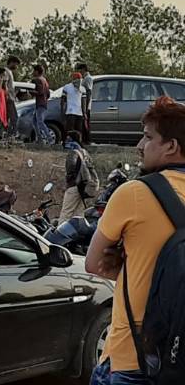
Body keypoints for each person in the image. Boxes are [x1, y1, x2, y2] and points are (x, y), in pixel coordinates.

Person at [86, 97, 185, 384]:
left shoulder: (134, 194)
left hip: (134, 355)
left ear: (171, 146)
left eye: (147, 137)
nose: (139, 146)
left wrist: (139, 272)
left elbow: (93, 264)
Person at [58, 131, 89, 224]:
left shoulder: (73, 150)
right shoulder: (84, 151)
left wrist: (69, 179)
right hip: (83, 187)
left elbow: (71, 166)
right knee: (79, 215)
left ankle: (58, 236)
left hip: (74, 185)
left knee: (66, 213)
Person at [61, 73, 87, 140]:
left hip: (72, 112)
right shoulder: (82, 89)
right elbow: (83, 102)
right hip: (75, 112)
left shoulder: (67, 87)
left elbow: (62, 101)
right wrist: (84, 113)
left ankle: (71, 143)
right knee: (77, 130)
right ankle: (75, 143)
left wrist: (62, 111)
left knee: (71, 130)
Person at [31, 64, 52, 144]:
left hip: (40, 103)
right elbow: (48, 93)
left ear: (37, 71)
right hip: (44, 103)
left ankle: (49, 138)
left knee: (39, 121)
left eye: (34, 71)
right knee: (35, 121)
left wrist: (30, 91)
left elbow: (40, 92)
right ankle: (39, 138)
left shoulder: (37, 80)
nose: (33, 72)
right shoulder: (45, 80)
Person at [5, 56, 21, 139]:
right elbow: (4, 85)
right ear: (11, 62)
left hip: (11, 98)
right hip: (8, 99)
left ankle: (8, 135)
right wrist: (8, 96)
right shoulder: (6, 72)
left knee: (10, 118)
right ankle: (13, 135)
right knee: (14, 117)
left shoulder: (9, 72)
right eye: (16, 64)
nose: (16, 66)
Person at [77, 63, 93, 144]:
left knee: (85, 123)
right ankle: (84, 139)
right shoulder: (85, 78)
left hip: (86, 105)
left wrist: (86, 107)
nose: (80, 71)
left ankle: (87, 140)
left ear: (83, 69)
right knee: (83, 124)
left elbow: (89, 92)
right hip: (82, 105)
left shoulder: (88, 79)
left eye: (80, 69)